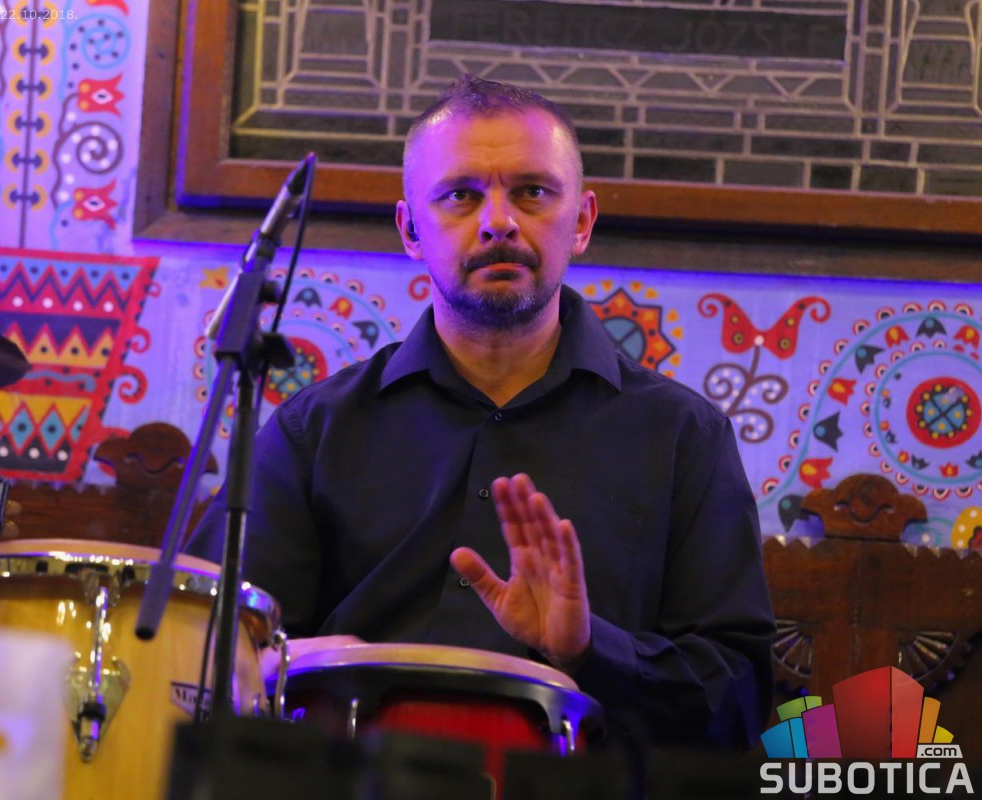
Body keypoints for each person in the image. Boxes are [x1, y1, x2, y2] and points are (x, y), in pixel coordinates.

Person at [186, 75, 775, 748]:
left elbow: (739, 704)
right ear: (410, 229)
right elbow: (206, 645)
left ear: (582, 221)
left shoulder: (683, 438)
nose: (499, 221)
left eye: (532, 192)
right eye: (461, 195)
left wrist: (590, 649)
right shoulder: (312, 431)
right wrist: (294, 661)